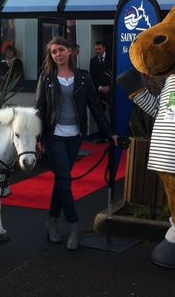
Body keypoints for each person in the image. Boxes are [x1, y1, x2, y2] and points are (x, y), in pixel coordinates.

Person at [35, 36, 118, 251]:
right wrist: (38, 138)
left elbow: (95, 107)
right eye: (53, 52)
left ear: (70, 51)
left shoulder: (83, 78)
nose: (58, 54)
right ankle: (73, 225)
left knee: (61, 181)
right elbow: (39, 109)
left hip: (75, 136)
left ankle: (51, 220)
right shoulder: (46, 78)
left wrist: (109, 133)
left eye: (61, 50)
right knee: (64, 178)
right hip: (53, 136)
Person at [89, 40, 112, 113]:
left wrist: (109, 87)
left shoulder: (112, 58)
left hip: (111, 92)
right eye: (96, 49)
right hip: (99, 93)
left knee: (113, 114)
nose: (97, 51)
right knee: (100, 114)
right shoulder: (93, 61)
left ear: (104, 48)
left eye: (99, 49)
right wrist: (100, 88)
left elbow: (115, 74)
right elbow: (92, 77)